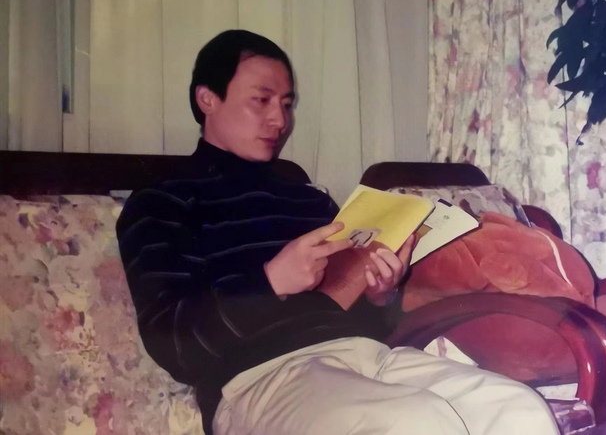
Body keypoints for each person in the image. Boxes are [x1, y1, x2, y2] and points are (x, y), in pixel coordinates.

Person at [116, 29, 559, 435]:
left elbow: (367, 317)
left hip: (365, 356)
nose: (279, 120)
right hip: (258, 381)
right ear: (208, 99)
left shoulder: (308, 200)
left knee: (519, 409)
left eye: (286, 104)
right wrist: (270, 282)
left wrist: (380, 294)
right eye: (262, 100)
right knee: (417, 422)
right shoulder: (161, 204)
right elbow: (174, 346)